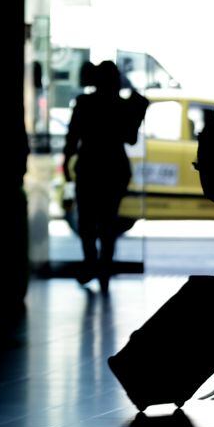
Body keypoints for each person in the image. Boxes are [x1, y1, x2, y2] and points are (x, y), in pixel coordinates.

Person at [63, 61, 147, 292]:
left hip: (90, 167)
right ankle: (104, 269)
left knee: (87, 223)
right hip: (114, 169)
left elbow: (72, 137)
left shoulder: (84, 103)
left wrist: (66, 162)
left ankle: (91, 264)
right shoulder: (121, 106)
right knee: (108, 222)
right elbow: (130, 138)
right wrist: (138, 110)